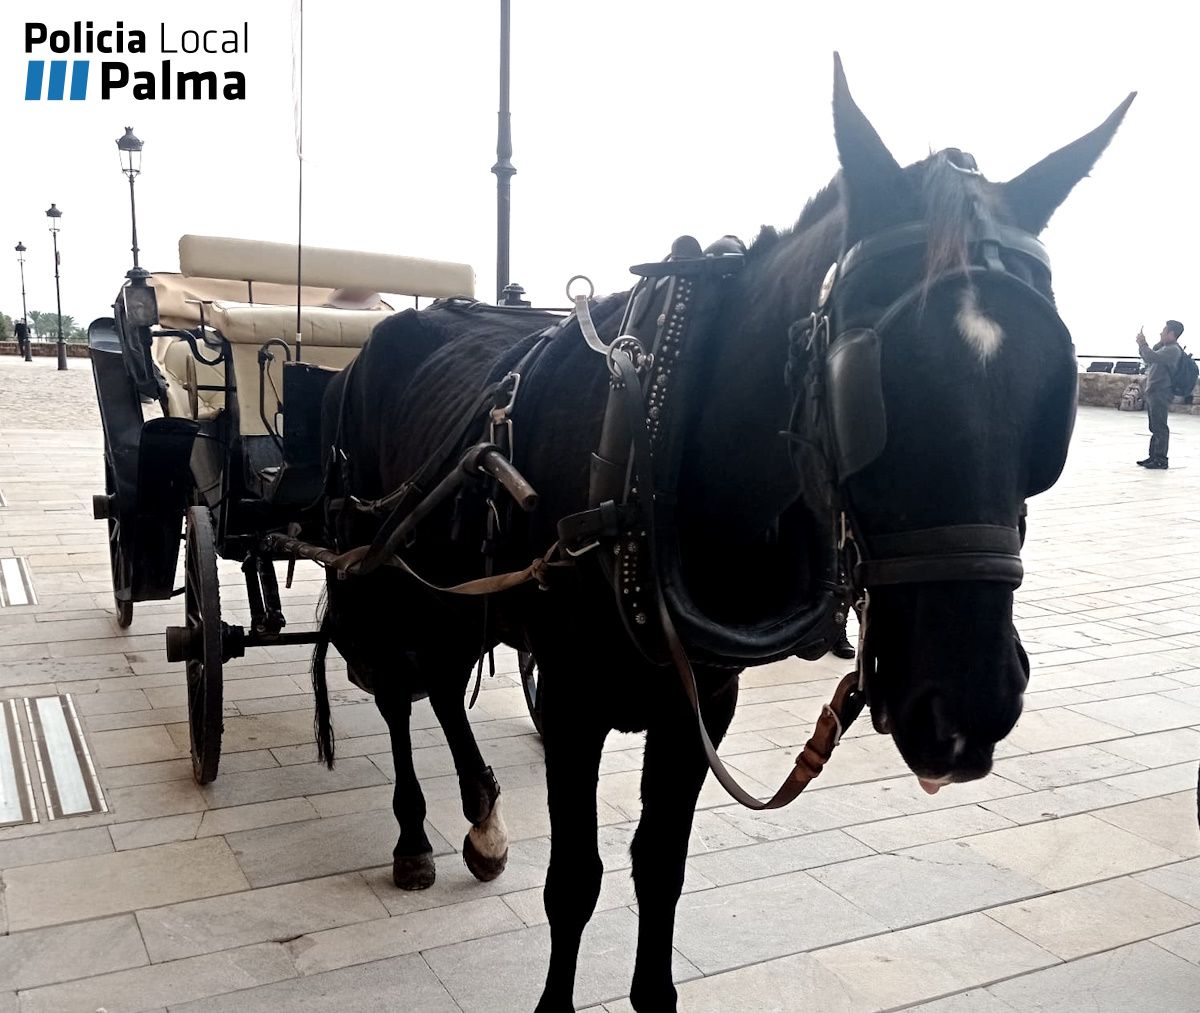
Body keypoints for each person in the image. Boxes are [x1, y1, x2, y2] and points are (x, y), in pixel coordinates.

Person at [1135, 319, 1185, 470]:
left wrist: (1142, 343)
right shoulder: (1166, 347)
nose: (1161, 333)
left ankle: (1161, 459)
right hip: (1155, 391)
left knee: (1160, 426)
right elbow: (1148, 356)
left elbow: (1151, 356)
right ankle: (1153, 456)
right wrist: (1147, 344)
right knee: (1154, 426)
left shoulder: (1173, 350)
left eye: (1164, 331)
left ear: (1172, 333)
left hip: (1162, 392)